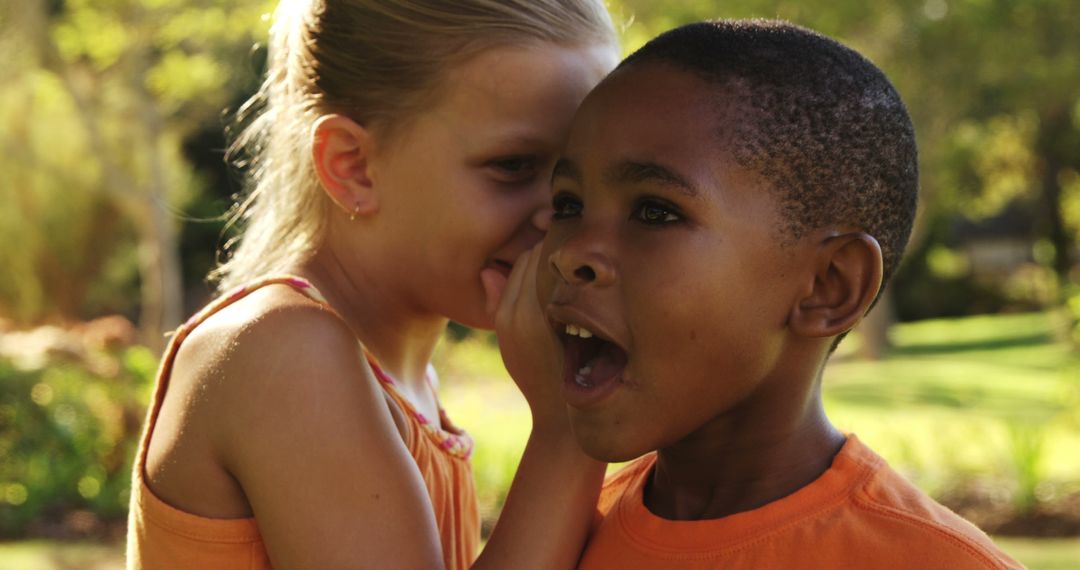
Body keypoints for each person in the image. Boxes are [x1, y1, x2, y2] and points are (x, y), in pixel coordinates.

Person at [125, 1, 618, 568]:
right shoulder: (284, 352)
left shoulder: (396, 374)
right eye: (513, 166)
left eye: (572, 179)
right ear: (353, 165)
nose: (556, 216)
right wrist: (567, 424)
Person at [529, 19, 1024, 569]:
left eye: (655, 211)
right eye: (568, 205)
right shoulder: (556, 535)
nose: (570, 253)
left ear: (829, 286)